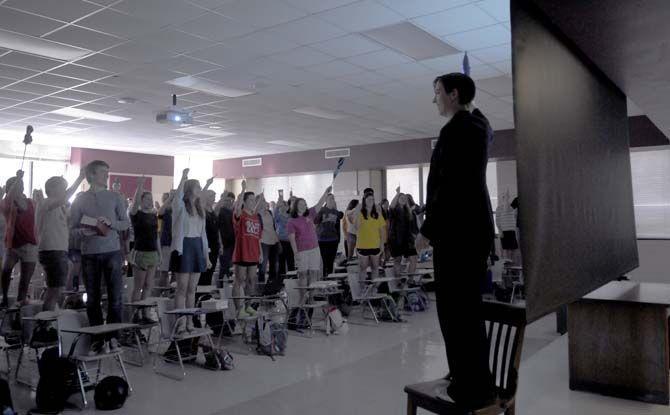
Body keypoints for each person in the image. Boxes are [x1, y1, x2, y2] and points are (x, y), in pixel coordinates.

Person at [415, 73, 496, 408]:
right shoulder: (478, 128)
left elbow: (448, 187)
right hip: (473, 235)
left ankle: (468, 388)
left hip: (456, 237)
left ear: (453, 93)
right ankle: (474, 380)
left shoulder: (455, 131)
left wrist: (427, 230)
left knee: (454, 313)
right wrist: (471, 108)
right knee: (468, 312)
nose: (434, 99)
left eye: (437, 92)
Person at [70, 160, 130, 354]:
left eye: (107, 171)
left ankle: (113, 337)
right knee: (93, 298)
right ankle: (97, 339)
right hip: (89, 253)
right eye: (103, 172)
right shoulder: (80, 200)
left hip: (112, 251)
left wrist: (111, 223)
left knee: (115, 297)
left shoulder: (115, 197)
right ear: (92, 175)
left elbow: (125, 224)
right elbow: (72, 229)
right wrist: (83, 232)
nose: (107, 175)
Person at [35, 170, 86, 311]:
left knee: (55, 289)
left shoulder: (60, 207)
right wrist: (80, 178)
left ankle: (48, 321)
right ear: (51, 189)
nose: (64, 190)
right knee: (54, 290)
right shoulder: (46, 203)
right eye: (62, 187)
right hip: (52, 250)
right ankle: (45, 325)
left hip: (58, 250)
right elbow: (66, 196)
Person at [169, 169, 210, 333]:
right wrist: (182, 178)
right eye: (197, 186)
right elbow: (177, 197)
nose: (199, 189)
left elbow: (204, 235)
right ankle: (180, 322)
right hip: (184, 247)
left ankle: (189, 320)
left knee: (192, 289)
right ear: (189, 189)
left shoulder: (201, 210)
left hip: (197, 247)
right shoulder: (180, 207)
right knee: (182, 288)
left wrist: (206, 256)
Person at [287, 186, 331, 304]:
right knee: (302, 275)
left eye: (304, 203)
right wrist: (295, 253)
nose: (303, 205)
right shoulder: (292, 221)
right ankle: (303, 297)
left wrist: (325, 193)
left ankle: (311, 298)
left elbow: (319, 203)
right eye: (301, 204)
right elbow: (292, 239)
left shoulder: (310, 214)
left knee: (313, 273)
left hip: (314, 249)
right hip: (302, 251)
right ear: (296, 206)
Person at [1, 171, 38, 308]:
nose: (19, 187)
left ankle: (18, 310)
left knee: (25, 281)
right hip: (13, 245)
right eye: (16, 185)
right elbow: (9, 198)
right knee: (6, 271)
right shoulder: (7, 204)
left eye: (21, 185)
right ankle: (4, 298)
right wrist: (17, 179)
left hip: (30, 244)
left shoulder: (31, 202)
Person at [129, 177, 160, 323]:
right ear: (141, 200)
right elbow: (134, 204)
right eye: (147, 199)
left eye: (151, 198)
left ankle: (145, 312)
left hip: (152, 252)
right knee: (139, 285)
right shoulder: (136, 214)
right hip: (140, 252)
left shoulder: (154, 215)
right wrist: (140, 186)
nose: (150, 201)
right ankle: (135, 313)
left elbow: (156, 237)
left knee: (149, 285)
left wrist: (159, 254)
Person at [232, 181, 262, 318]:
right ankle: (239, 309)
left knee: (251, 280)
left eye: (253, 200)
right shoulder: (241, 215)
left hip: (253, 253)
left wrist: (260, 252)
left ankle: (248, 306)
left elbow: (258, 237)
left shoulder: (255, 217)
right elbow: (238, 207)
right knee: (239, 280)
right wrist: (243, 189)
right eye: (249, 199)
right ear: (244, 201)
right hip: (242, 252)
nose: (252, 202)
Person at [354, 193, 385, 282]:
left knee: (375, 267)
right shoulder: (360, 214)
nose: (371, 201)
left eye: (372, 199)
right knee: (363, 268)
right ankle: (362, 289)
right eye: (369, 199)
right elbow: (356, 227)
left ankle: (374, 289)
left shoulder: (378, 214)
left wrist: (382, 243)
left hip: (375, 245)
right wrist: (357, 213)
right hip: (362, 245)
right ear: (365, 201)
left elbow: (382, 230)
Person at [388, 187, 419, 277]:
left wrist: (416, 236)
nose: (403, 199)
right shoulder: (394, 211)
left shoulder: (409, 212)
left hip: (408, 239)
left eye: (405, 198)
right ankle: (397, 280)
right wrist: (397, 193)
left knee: (414, 258)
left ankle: (410, 279)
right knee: (397, 259)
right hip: (396, 238)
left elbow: (413, 226)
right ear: (397, 200)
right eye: (401, 198)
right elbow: (391, 206)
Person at [315, 193, 343, 277]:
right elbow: (315, 221)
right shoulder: (321, 210)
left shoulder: (336, 212)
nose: (332, 200)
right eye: (330, 198)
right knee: (324, 261)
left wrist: (338, 239)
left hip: (333, 239)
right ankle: (324, 278)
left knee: (331, 261)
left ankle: (330, 279)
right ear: (326, 200)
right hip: (322, 239)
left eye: (333, 198)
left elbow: (341, 215)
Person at [198, 179, 220, 287]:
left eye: (214, 197)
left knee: (210, 272)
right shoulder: (202, 210)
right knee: (204, 272)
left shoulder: (213, 211)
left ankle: (206, 295)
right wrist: (207, 184)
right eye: (211, 197)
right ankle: (200, 296)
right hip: (206, 245)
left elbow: (217, 230)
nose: (213, 199)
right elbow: (200, 196)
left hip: (214, 245)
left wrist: (220, 244)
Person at [257, 196, 279, 285]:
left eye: (265, 200)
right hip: (263, 241)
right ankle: (261, 283)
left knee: (274, 264)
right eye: (262, 201)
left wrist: (278, 240)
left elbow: (273, 227)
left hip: (273, 240)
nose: (265, 202)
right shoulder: (257, 214)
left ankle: (272, 283)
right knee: (263, 264)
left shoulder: (269, 212)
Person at [217, 191, 236, 287]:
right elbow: (218, 229)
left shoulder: (233, 212)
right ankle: (220, 288)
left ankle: (227, 288)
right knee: (224, 267)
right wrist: (220, 244)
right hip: (224, 244)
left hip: (233, 243)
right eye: (227, 200)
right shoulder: (221, 211)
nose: (229, 202)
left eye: (231, 200)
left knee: (230, 267)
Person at [274, 190, 294, 276]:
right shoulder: (278, 216)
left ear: (288, 207)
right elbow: (275, 212)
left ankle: (292, 277)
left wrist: (291, 197)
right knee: (281, 260)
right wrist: (278, 204)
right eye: (282, 206)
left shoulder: (291, 216)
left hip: (290, 241)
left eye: (285, 205)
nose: (284, 207)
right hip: (281, 241)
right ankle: (281, 279)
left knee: (290, 261)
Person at [157, 191, 174, 287]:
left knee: (175, 272)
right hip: (166, 243)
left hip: (176, 244)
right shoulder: (164, 212)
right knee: (164, 271)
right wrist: (170, 198)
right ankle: (161, 292)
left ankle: (171, 293)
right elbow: (160, 212)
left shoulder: (177, 210)